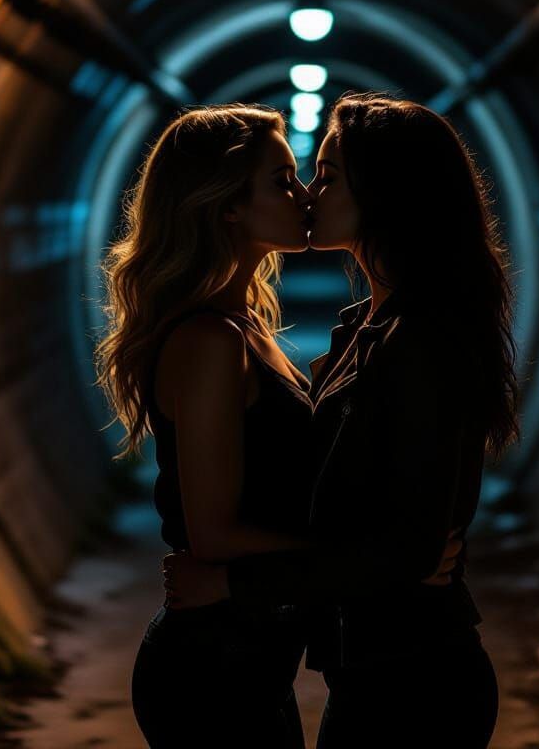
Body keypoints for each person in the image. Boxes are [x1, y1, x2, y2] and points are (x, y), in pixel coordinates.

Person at [95, 104, 460, 747]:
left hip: (255, 662)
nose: (303, 195)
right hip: (210, 668)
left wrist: (391, 552)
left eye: (311, 176)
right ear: (228, 204)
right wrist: (390, 559)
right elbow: (213, 533)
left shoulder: (246, 329)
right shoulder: (210, 341)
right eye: (283, 179)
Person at [164, 92, 520, 747]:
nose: (309, 192)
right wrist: (378, 554)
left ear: (383, 196)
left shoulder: (421, 340)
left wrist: (233, 582)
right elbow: (357, 520)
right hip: (365, 671)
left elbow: (404, 545)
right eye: (297, 176)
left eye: (325, 176)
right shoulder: (362, 330)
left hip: (417, 680)